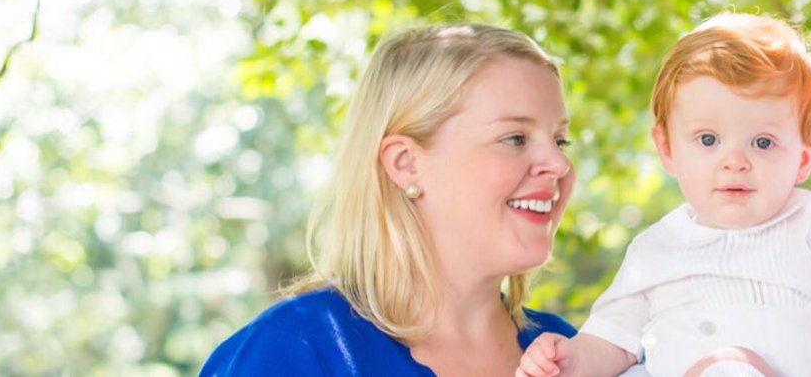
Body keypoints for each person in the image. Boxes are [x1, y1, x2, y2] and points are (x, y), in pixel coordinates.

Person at [518, 14, 811, 377]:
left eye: (763, 142)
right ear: (667, 149)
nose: (735, 162)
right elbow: (611, 341)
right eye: (708, 139)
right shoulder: (655, 250)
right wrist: (571, 361)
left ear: (803, 159)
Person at [201, 24, 579, 375]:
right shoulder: (295, 350)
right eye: (515, 138)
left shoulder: (573, 354)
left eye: (560, 141)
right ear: (405, 163)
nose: (560, 164)